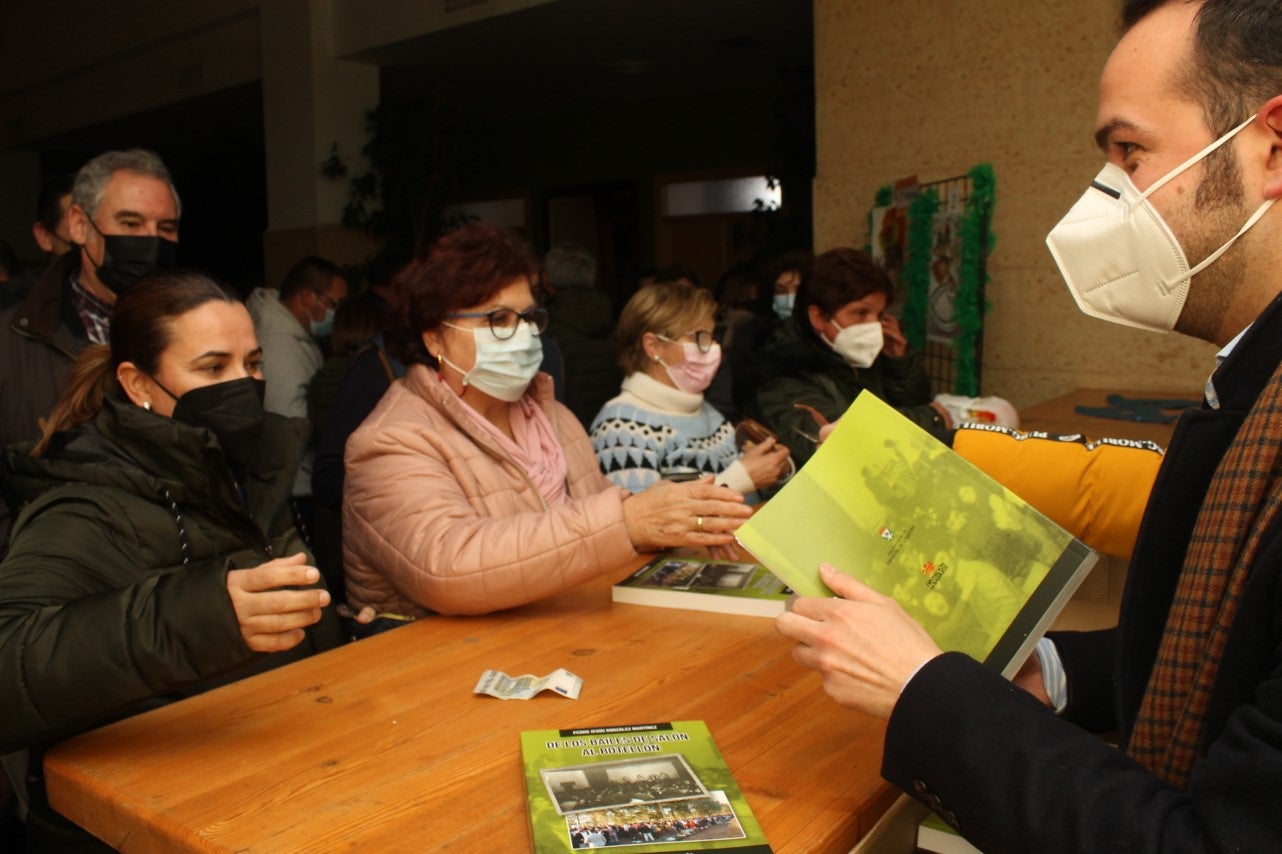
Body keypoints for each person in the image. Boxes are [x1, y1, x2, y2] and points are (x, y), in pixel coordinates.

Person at [775, 1, 1282, 850]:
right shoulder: (1253, 384)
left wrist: (926, 690)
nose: (1107, 197)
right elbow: (1230, 665)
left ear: (1272, 149)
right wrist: (1045, 675)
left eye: (1131, 152)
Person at [0, 272, 341, 851]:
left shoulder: (247, 471)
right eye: (212, 368)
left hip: (274, 789)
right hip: (139, 826)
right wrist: (199, 614)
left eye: (253, 365)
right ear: (137, 384)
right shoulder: (84, 504)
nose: (242, 385)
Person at [342, 223, 752, 619]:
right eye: (497, 320)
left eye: (527, 318)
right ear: (434, 337)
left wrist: (671, 519)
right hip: (445, 664)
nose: (521, 334)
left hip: (560, 636)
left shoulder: (552, 417)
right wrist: (627, 523)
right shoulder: (391, 440)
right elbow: (450, 566)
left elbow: (595, 527)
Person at [0, 149, 180, 542]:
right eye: (130, 223)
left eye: (165, 228)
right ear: (80, 226)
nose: (149, 240)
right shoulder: (12, 342)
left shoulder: (198, 331)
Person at [590, 280, 791, 501]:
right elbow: (644, 524)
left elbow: (755, 489)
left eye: (713, 337)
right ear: (653, 346)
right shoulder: (619, 428)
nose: (713, 349)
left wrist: (775, 470)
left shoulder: (707, 413)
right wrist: (738, 481)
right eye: (700, 337)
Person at [755, 247, 952, 465]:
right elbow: (847, 438)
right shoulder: (781, 371)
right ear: (818, 316)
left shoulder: (852, 352)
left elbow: (913, 400)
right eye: (860, 313)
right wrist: (932, 418)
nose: (873, 326)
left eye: (879, 314)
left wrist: (899, 361)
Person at [246, 255, 349, 503]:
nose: (337, 314)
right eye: (334, 304)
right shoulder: (279, 348)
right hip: (295, 485)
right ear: (306, 298)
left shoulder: (295, 332)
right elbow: (288, 425)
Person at [543, 242, 621, 427]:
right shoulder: (612, 316)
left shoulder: (548, 325)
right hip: (613, 420)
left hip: (569, 425)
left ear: (548, 281)